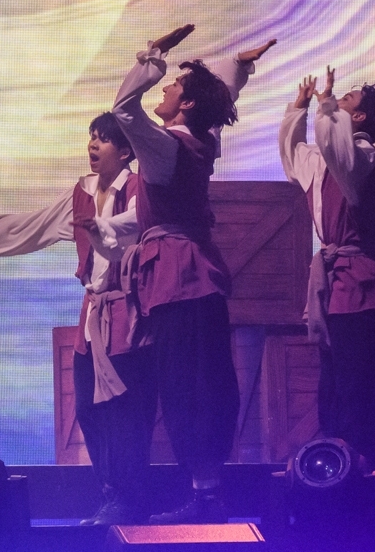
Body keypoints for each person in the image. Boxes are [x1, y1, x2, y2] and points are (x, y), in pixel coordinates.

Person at [0, 114, 152, 524]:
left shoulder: (137, 189)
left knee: (126, 415)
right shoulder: (83, 192)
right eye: (91, 137)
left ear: (126, 151)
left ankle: (130, 499)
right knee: (90, 412)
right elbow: (34, 226)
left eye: (104, 140)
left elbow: (134, 235)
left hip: (125, 315)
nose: (93, 145)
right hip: (93, 318)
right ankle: (111, 495)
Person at [109, 26, 270, 524]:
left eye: (174, 86)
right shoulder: (201, 138)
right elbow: (218, 106)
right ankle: (207, 492)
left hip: (178, 277)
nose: (165, 88)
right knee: (204, 380)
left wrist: (154, 56)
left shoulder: (166, 146)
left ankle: (205, 496)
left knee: (187, 384)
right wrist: (236, 68)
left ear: (188, 104)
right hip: (194, 274)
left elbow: (123, 110)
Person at [279, 68, 375, 469]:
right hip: (336, 282)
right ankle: (333, 461)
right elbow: (294, 156)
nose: (334, 101)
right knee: (332, 378)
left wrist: (327, 107)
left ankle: (365, 462)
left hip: (360, 282)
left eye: (346, 100)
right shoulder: (327, 161)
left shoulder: (363, 155)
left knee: (359, 379)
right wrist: (299, 109)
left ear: (358, 118)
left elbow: (338, 150)